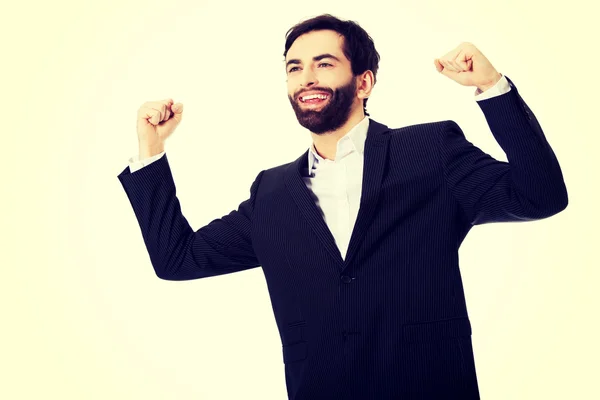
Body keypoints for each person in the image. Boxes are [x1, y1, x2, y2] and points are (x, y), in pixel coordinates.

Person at [117, 13, 568, 400]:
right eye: (294, 68)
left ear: (364, 81)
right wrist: (150, 151)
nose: (306, 77)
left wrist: (491, 87)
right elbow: (177, 259)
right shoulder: (271, 194)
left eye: (324, 63)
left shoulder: (432, 151)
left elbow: (540, 195)